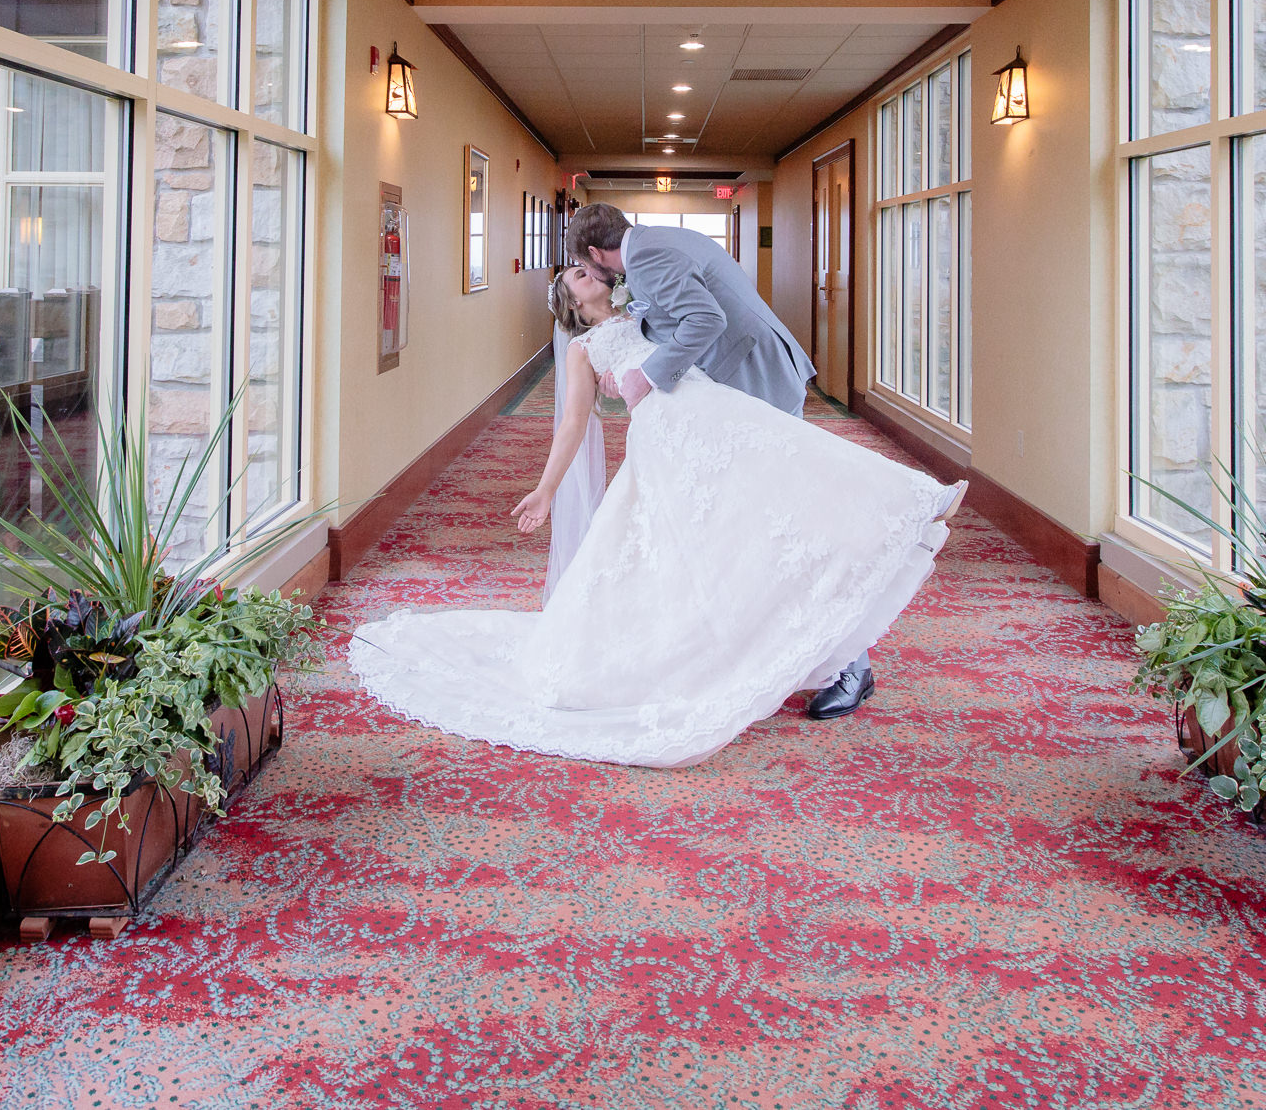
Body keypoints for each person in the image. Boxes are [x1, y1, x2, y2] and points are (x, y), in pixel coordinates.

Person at [347, 264, 967, 769]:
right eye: (576, 275)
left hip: (714, 415)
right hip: (669, 441)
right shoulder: (585, 349)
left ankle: (911, 503)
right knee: (692, 544)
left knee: (790, 472)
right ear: (569, 301)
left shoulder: (646, 311)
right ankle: (718, 652)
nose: (589, 272)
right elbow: (570, 425)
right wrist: (543, 490)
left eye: (590, 268)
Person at [567, 203, 880, 720]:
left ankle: (852, 662)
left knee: (788, 525)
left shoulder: (645, 260)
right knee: (753, 527)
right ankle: (787, 651)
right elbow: (677, 317)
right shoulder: (653, 242)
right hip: (744, 382)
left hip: (759, 381)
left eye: (586, 264)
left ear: (598, 254)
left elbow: (705, 319)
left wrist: (645, 376)